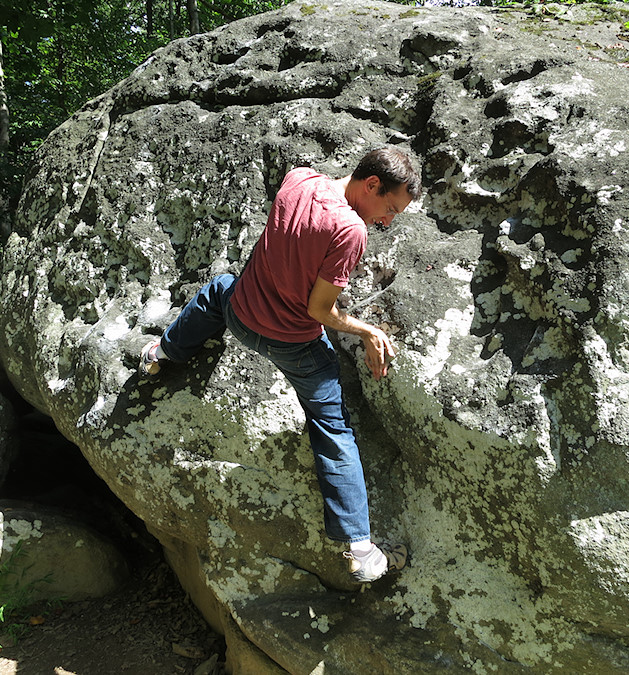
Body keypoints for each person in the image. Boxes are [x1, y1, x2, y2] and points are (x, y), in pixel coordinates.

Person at [139, 147, 423, 583]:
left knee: (219, 288)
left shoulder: (299, 179)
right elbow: (319, 311)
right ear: (371, 184)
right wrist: (367, 331)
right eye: (389, 208)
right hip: (291, 342)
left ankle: (162, 354)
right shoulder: (351, 231)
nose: (387, 221)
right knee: (332, 425)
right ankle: (361, 550)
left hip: (241, 316)